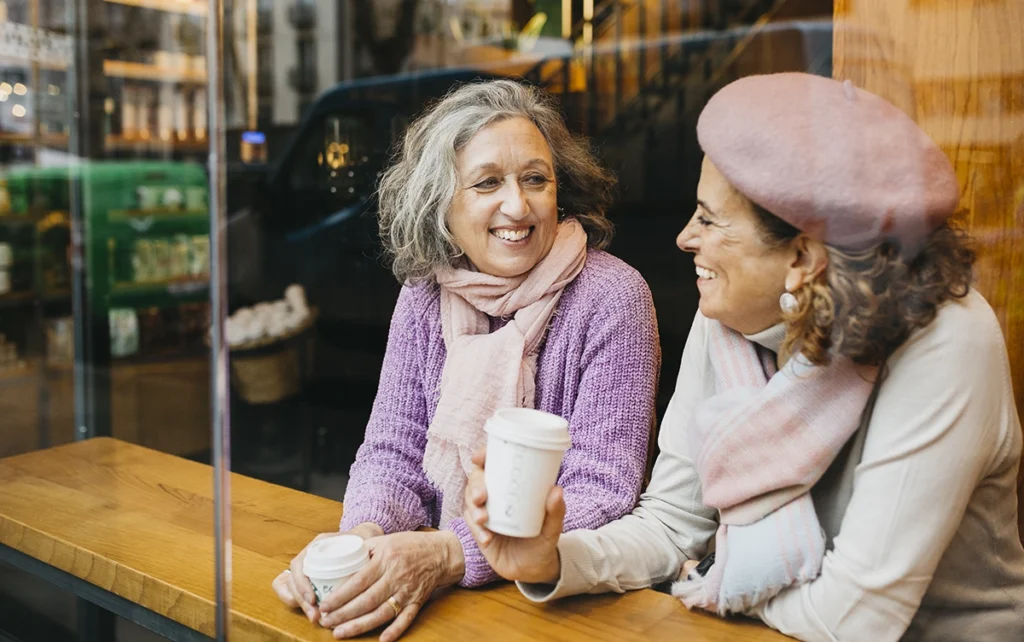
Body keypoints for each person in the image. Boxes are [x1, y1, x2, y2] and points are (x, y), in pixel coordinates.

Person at [463, 72, 1024, 641]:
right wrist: (550, 560)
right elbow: (671, 525)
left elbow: (857, 619)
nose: (685, 237)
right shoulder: (729, 316)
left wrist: (715, 583)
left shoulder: (946, 341)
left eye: (709, 219)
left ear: (803, 257)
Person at [272, 79, 661, 641]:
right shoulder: (425, 293)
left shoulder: (613, 297)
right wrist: (361, 546)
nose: (517, 205)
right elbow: (392, 449)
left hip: (558, 608)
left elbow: (604, 489)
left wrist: (450, 554)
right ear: (442, 205)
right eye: (486, 183)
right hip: (435, 602)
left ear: (561, 190)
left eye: (535, 179)